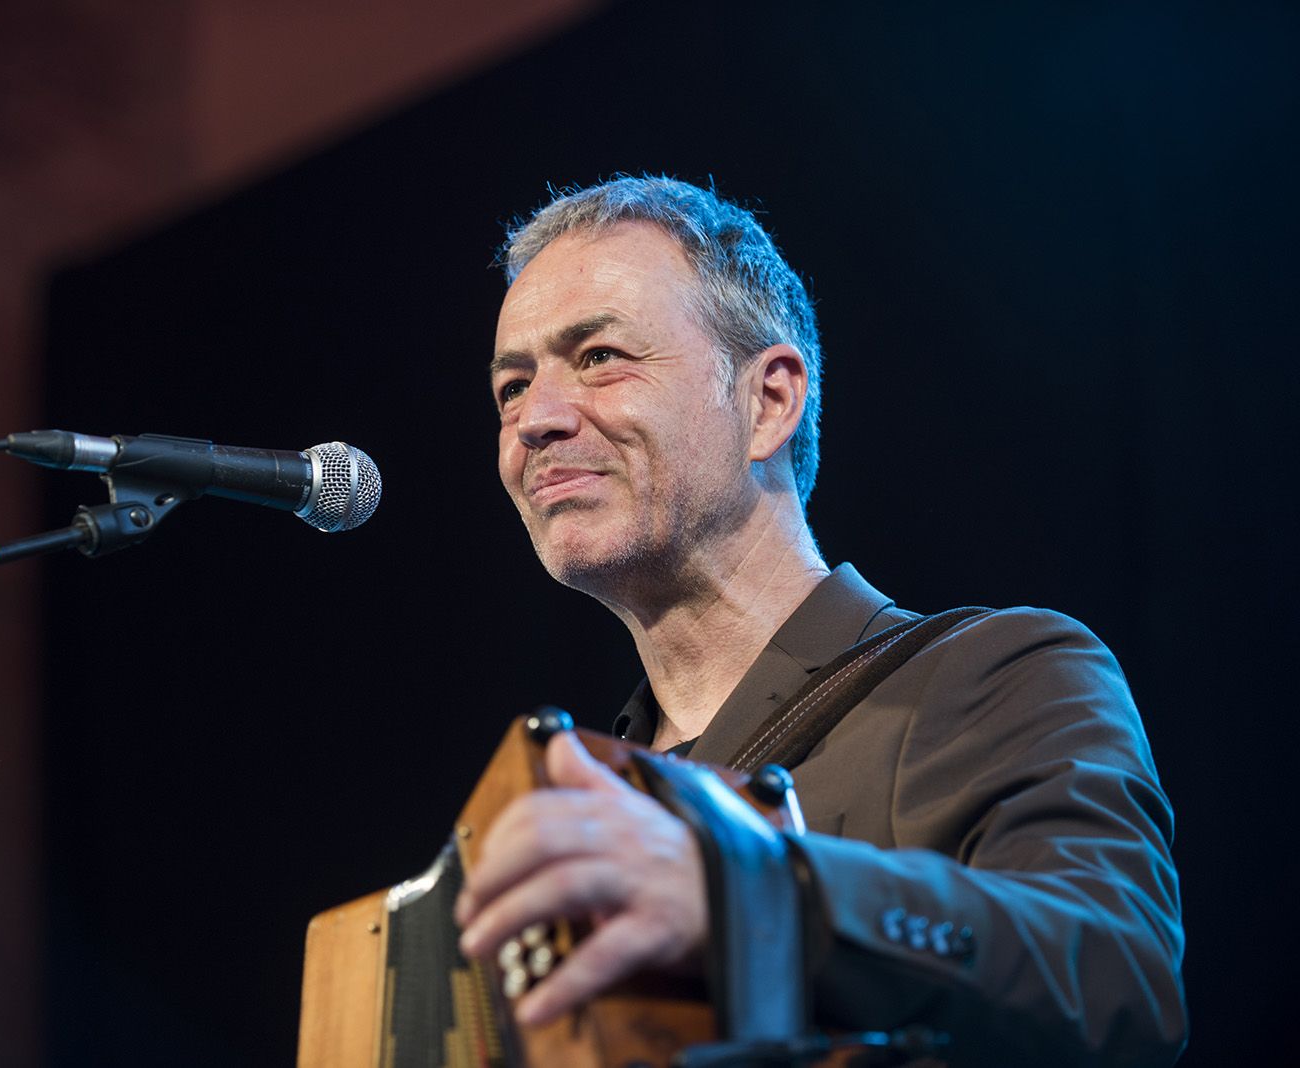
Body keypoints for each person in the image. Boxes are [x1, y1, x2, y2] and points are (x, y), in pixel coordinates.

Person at [452, 176, 1186, 1065]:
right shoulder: (595, 801)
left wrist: (751, 899)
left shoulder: (998, 672)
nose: (537, 420)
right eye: (511, 387)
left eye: (600, 356)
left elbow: (1116, 982)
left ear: (768, 402)